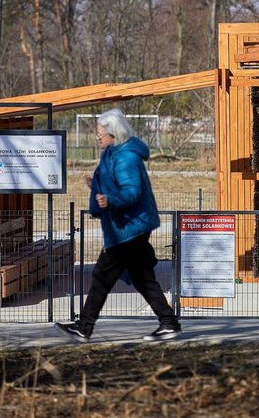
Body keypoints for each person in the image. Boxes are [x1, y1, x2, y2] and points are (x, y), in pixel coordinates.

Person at [55, 108, 181, 343]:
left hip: (128, 229)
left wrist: (111, 199)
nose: (97, 137)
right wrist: (97, 185)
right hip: (127, 227)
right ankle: (169, 323)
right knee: (143, 279)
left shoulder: (126, 157)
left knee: (102, 277)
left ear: (113, 134)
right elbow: (117, 183)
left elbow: (132, 192)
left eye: (100, 134)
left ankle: (84, 327)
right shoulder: (114, 153)